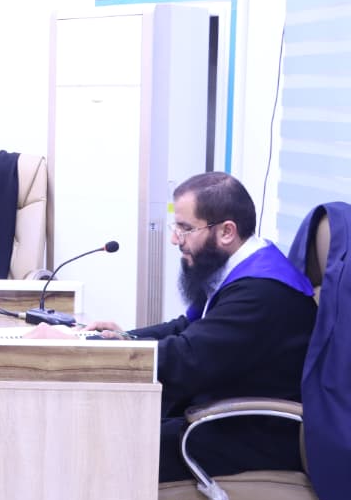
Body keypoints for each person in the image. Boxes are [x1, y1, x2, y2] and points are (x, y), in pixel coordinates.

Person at [85, 172, 316, 482]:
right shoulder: (242, 267)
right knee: (114, 423)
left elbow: (188, 356)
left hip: (259, 431)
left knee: (111, 445)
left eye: (185, 228)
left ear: (226, 231)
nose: (174, 239)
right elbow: (187, 327)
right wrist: (122, 338)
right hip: (226, 410)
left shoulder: (261, 292)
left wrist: (104, 352)